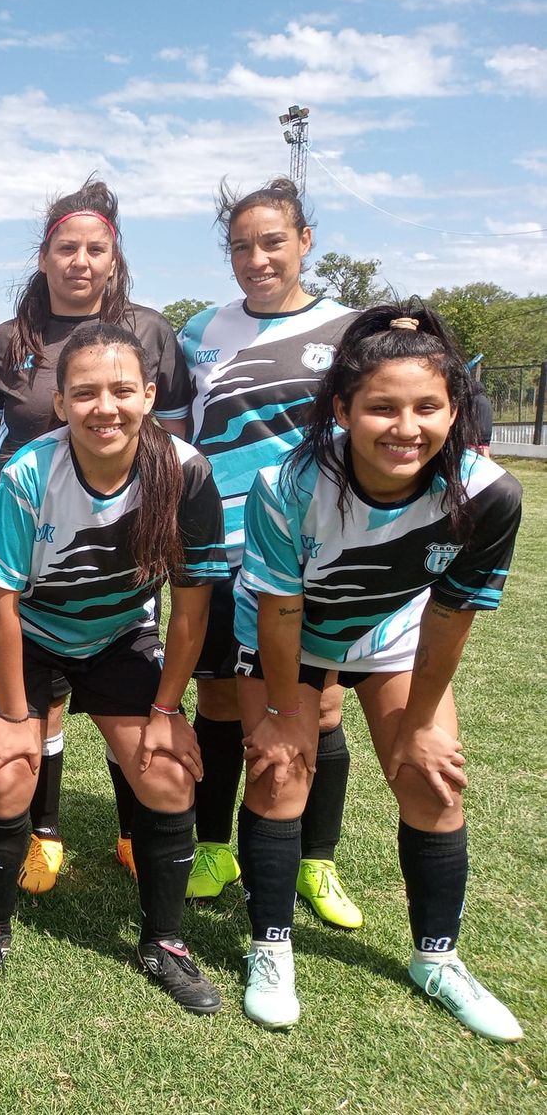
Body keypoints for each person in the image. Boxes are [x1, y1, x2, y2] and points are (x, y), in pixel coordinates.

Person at [235, 302, 523, 1043]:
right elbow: (282, 614)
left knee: (431, 777)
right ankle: (270, 945)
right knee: (279, 768)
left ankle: (438, 957)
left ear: (453, 408)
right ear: (343, 409)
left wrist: (421, 725)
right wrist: (276, 711)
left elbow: (449, 616)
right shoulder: (288, 482)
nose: (406, 426)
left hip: (390, 636)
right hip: (289, 636)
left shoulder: (488, 493)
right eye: (382, 407)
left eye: (428, 406)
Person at [0, 324, 227, 1012]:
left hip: (117, 634)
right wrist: (17, 718)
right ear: (62, 403)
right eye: (86, 392)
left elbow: (190, 611)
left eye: (122, 390)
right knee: (8, 775)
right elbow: (1, 602)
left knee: (163, 773)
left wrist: (165, 713)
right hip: (25, 632)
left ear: (150, 395)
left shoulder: (186, 472)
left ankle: (164, 940)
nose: (106, 406)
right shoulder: (29, 472)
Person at [0, 178, 192, 893]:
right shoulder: (12, 340)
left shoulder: (152, 333)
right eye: (67, 247)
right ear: (44, 256)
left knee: (127, 703)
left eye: (96, 248)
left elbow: (175, 445)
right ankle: (45, 831)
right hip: (32, 551)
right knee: (43, 699)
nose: (81, 261)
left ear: (115, 257)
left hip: (122, 558)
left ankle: (131, 831)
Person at [178, 178, 362, 925]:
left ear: (304, 241)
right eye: (241, 247)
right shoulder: (199, 331)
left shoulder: (351, 331)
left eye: (272, 241)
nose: (256, 258)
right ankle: (215, 844)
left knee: (319, 707)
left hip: (313, 550)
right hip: (218, 547)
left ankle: (316, 857)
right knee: (219, 697)